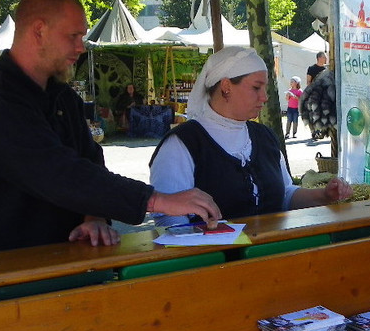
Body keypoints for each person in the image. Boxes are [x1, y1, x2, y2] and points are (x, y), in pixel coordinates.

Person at [0, 0, 220, 258]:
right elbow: (54, 171)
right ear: (39, 31)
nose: (80, 47)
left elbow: (89, 164)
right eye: (73, 36)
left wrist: (94, 216)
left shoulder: (64, 98)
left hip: (64, 260)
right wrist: (156, 200)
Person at [148, 46, 352, 225]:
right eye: (256, 87)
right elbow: (169, 220)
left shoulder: (264, 136)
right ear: (226, 87)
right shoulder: (181, 144)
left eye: (265, 88)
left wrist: (324, 195)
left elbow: (285, 194)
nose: (264, 97)